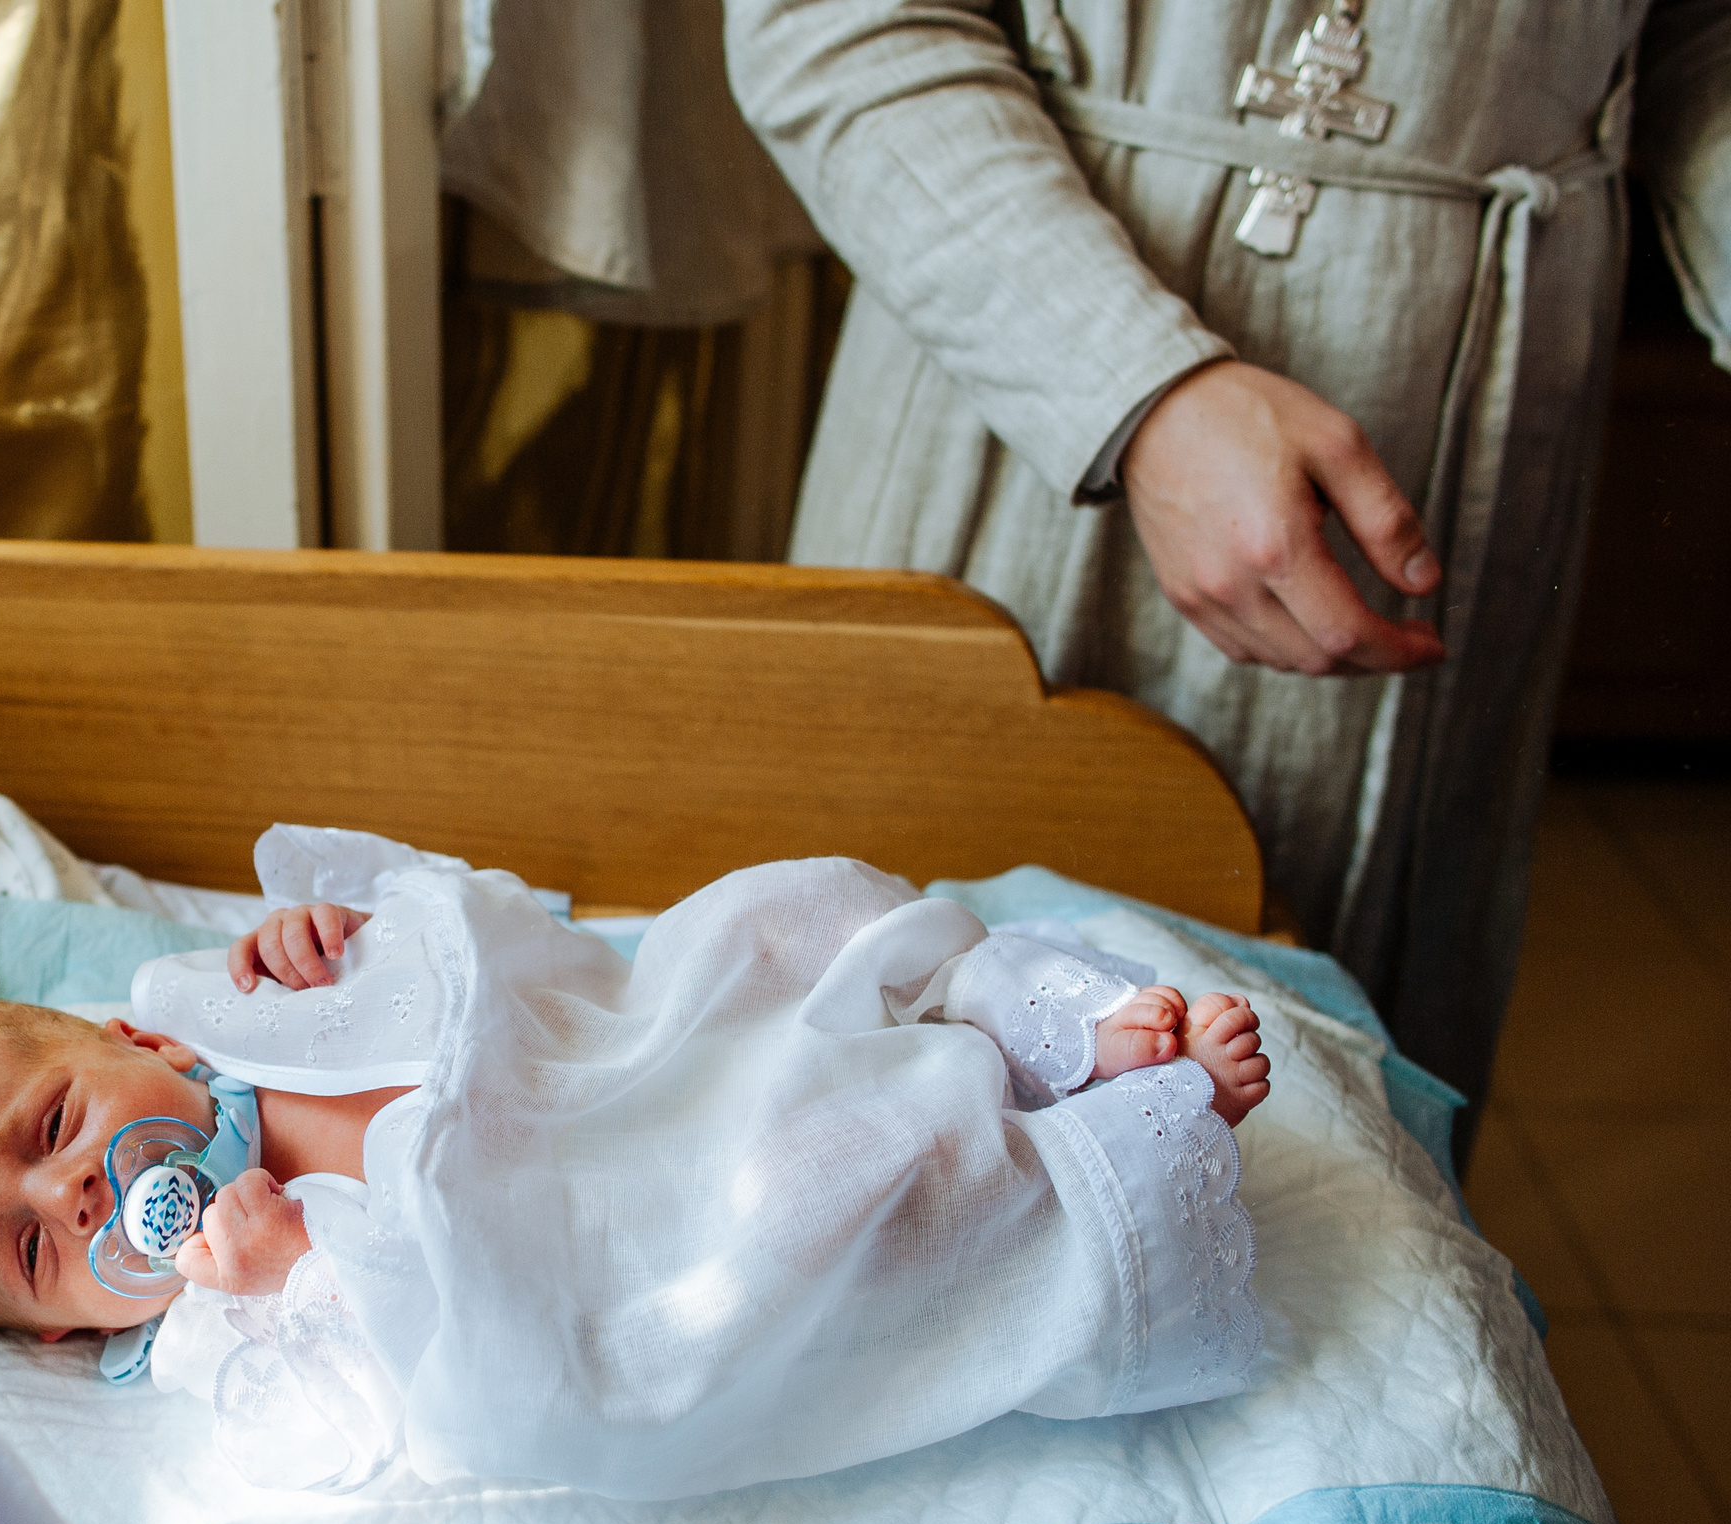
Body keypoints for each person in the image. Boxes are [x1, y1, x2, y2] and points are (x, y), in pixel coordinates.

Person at [720, 0, 1731, 1112]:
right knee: (883, 1077)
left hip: (1468, 419)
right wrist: (1136, 390)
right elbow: (835, 20)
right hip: (1022, 369)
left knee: (1335, 1159)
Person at [0, 826, 1270, 1499]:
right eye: (35, 1246)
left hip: (618, 1058)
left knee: (769, 914)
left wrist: (327, 943)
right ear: (53, 1332)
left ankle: (1003, 1001)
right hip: (609, 1220)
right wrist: (292, 1278)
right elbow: (361, 1429)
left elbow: (490, 938)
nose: (76, 1192)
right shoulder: (213, 1324)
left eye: (46, 1130)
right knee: (811, 1200)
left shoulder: (224, 1005)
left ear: (120, 1033)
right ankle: (1082, 1158)